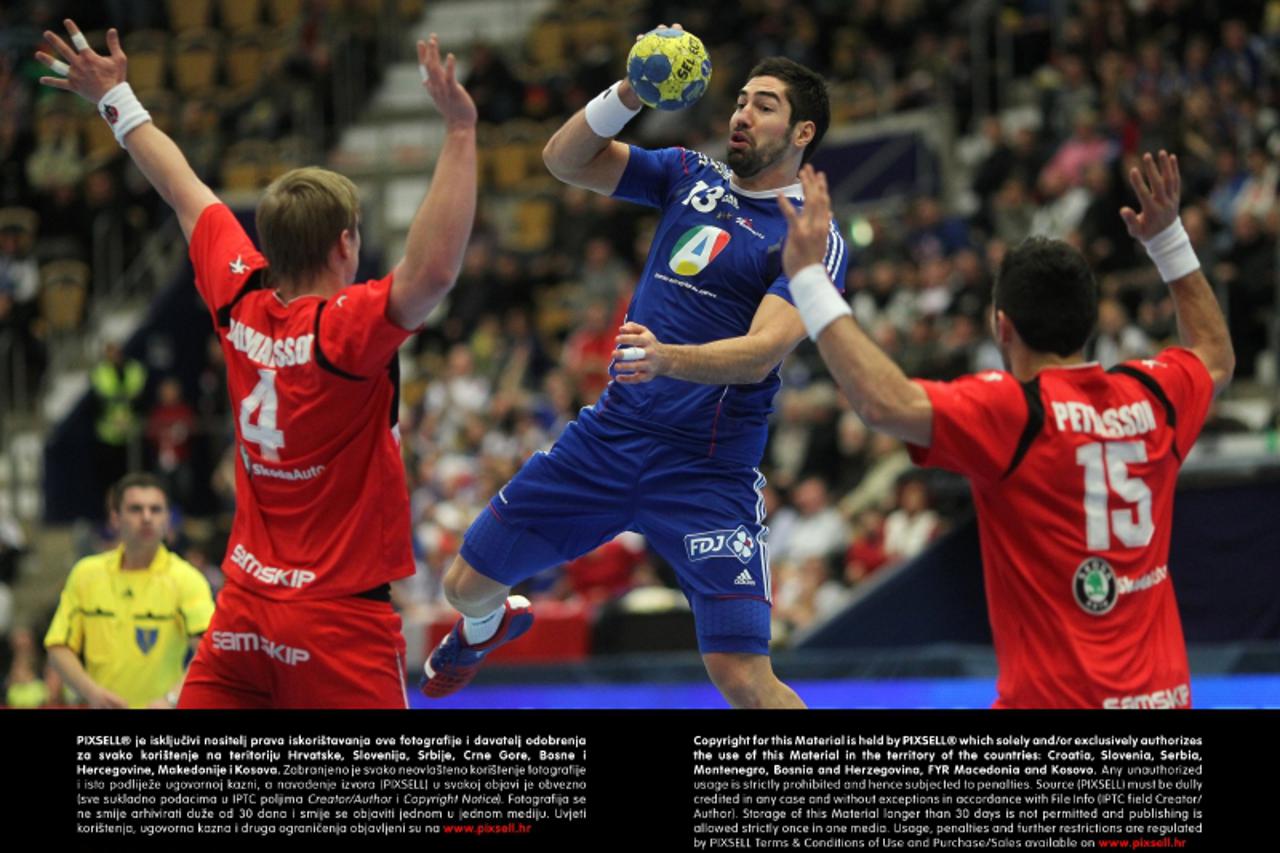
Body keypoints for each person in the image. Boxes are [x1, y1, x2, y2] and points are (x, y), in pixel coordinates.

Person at [37, 20, 477, 707]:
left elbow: (184, 189)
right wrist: (459, 133)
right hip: (337, 619)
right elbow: (434, 271)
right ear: (344, 245)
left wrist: (115, 97)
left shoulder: (240, 296)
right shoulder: (345, 330)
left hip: (242, 614)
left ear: (270, 246)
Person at [424, 35, 847, 709]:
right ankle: (487, 627)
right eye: (739, 101)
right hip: (609, 439)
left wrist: (667, 359)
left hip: (706, 470)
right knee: (463, 586)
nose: (741, 114)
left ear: (802, 131)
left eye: (763, 106)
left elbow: (765, 349)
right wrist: (630, 92)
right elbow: (563, 160)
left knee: (742, 676)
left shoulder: (811, 234)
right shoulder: (689, 174)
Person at [779, 152, 1234, 708]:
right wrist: (1168, 240)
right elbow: (1213, 354)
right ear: (1090, 320)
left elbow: (884, 402)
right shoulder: (1153, 394)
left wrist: (807, 277)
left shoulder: (1015, 411)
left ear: (1003, 327)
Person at [44, 473, 215, 708]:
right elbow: (58, 647)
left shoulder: (187, 579)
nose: (146, 517)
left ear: (167, 518)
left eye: (155, 510)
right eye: (135, 509)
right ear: (115, 517)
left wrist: (171, 699)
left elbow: (210, 653)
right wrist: (91, 692)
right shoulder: (86, 574)